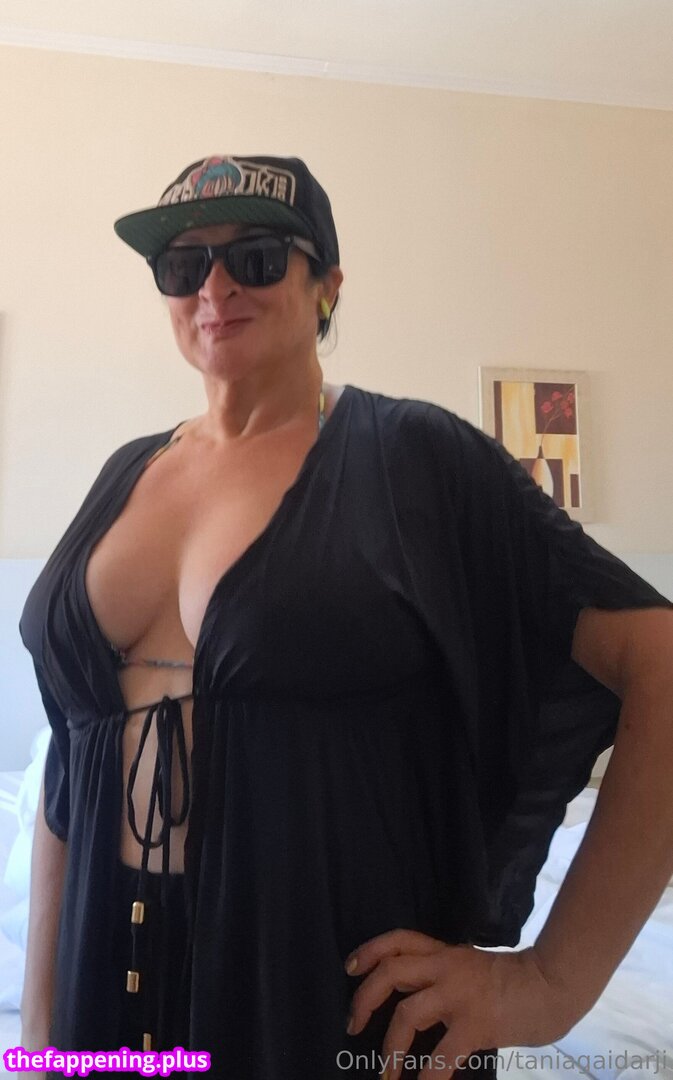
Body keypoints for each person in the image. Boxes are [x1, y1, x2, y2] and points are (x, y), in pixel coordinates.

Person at [18, 154, 673, 1080]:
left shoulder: (412, 457)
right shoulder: (125, 473)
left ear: (326, 285)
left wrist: (548, 982)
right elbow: (71, 754)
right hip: (106, 1003)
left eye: (254, 257)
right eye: (181, 264)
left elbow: (659, 660)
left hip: (328, 1007)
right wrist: (39, 1038)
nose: (212, 288)